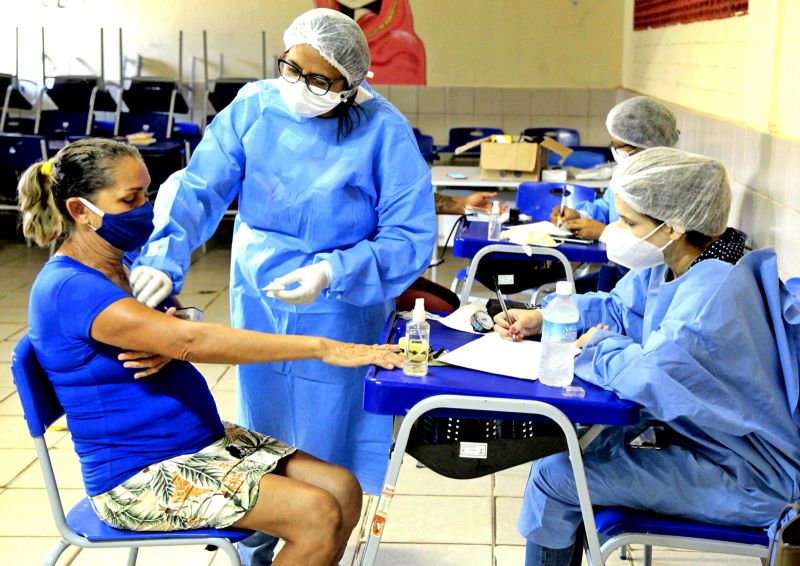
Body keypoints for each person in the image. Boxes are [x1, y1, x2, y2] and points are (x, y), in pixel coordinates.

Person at [127, 10, 435, 563]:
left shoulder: (382, 129)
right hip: (259, 289)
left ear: (351, 84)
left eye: (319, 81)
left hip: (342, 302)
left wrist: (332, 271)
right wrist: (163, 259)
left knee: (329, 434)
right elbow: (199, 189)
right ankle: (260, 542)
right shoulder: (254, 106)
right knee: (265, 427)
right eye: (291, 68)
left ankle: (317, 540)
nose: (299, 86)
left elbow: (410, 234)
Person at [18, 139, 405, 566]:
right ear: (80, 211)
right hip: (137, 476)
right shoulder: (70, 287)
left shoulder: (116, 264)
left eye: (147, 192)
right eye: (130, 199)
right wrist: (322, 347)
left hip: (196, 443)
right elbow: (194, 342)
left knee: (342, 488)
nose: (145, 207)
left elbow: (172, 330)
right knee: (316, 513)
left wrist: (171, 331)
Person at [494, 148, 800, 566]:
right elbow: (623, 309)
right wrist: (546, 318)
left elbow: (652, 375)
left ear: (673, 225)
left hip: (748, 479)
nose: (618, 231)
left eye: (630, 222)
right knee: (561, 458)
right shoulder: (685, 260)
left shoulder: (712, 297)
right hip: (707, 444)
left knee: (557, 477)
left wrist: (595, 347)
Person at [551, 96, 680, 292]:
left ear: (646, 143)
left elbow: (652, 247)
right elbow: (608, 206)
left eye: (618, 145)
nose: (614, 151)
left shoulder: (666, 183)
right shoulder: (627, 171)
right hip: (621, 275)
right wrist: (580, 216)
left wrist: (604, 233)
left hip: (647, 280)